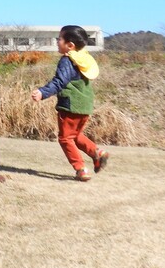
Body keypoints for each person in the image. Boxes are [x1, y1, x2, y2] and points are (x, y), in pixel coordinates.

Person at [31, 25, 109, 181]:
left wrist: (42, 92)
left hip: (71, 105)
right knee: (75, 135)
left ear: (70, 45)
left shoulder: (67, 61)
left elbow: (60, 81)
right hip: (85, 106)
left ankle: (81, 169)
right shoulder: (83, 59)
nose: (57, 41)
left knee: (65, 138)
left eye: (59, 39)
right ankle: (96, 153)